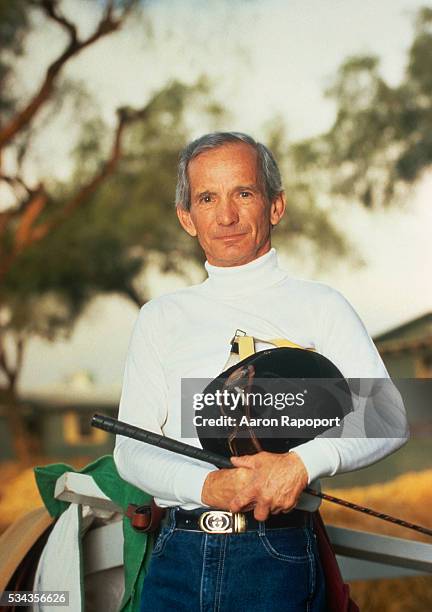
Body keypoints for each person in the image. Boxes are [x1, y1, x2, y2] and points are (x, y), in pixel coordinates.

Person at [113, 132, 409, 612]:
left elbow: (388, 417)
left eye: (243, 193)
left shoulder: (322, 306)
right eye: (207, 198)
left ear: (276, 205)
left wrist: (301, 465)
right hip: (176, 558)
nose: (226, 215)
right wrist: (208, 486)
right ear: (187, 218)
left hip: (277, 556)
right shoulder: (160, 317)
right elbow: (131, 449)